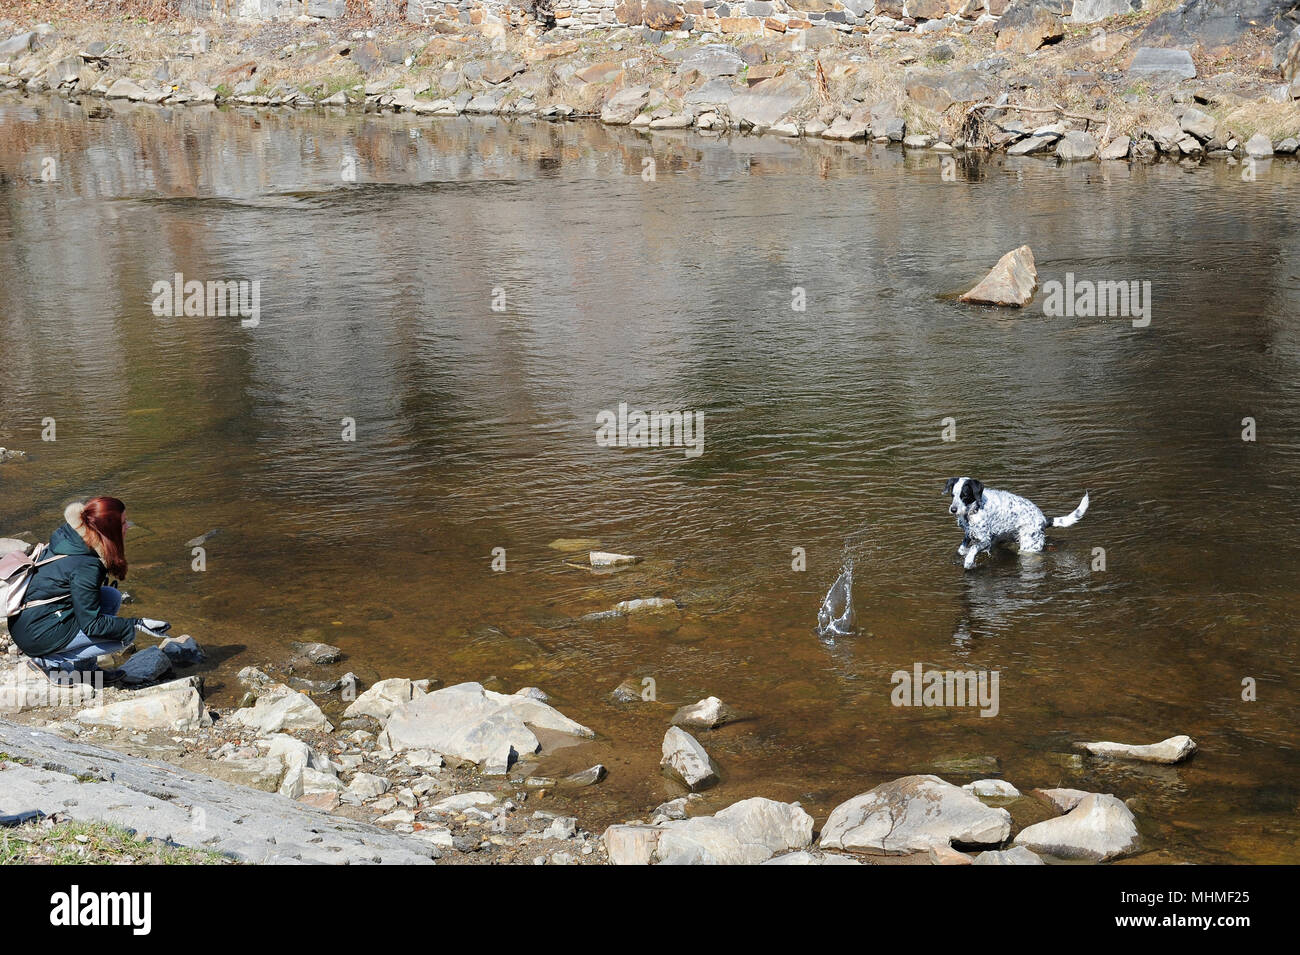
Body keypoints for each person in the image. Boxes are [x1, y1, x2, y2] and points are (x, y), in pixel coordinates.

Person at [7, 498, 170, 678]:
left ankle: (86, 670)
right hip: (35, 633)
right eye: (122, 523)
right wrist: (137, 624)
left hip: (33, 618)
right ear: (107, 530)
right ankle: (47, 663)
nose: (128, 526)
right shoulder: (87, 566)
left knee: (111, 596)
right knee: (122, 637)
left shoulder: (72, 536)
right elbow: (92, 625)